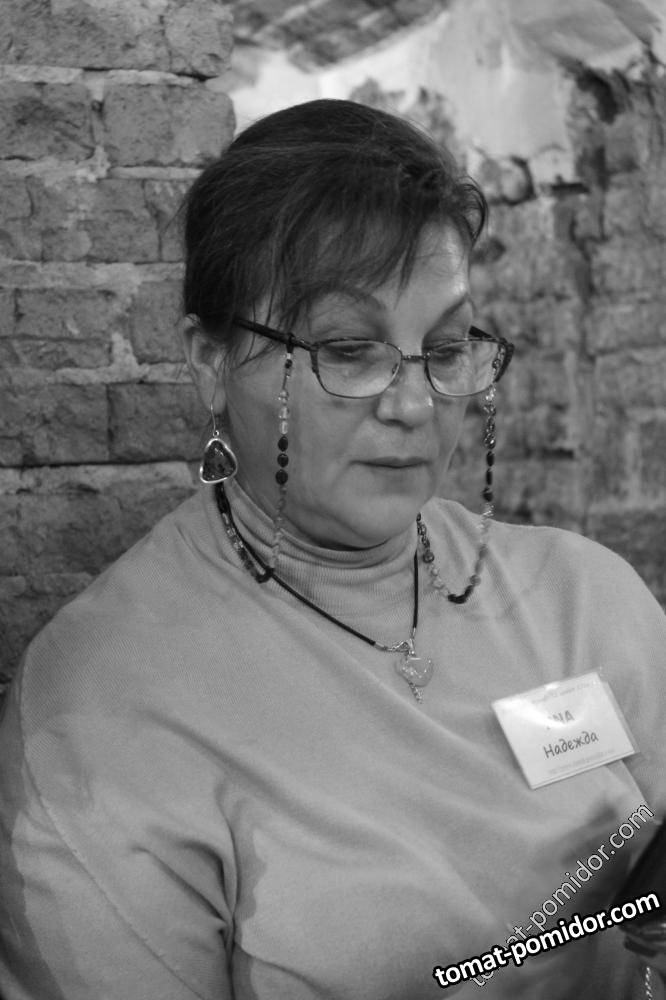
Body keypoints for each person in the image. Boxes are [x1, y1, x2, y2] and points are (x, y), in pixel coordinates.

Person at [0, 98, 665, 1000]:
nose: (415, 404)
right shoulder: (102, 714)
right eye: (349, 350)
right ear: (211, 361)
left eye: (445, 348)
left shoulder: (587, 597)